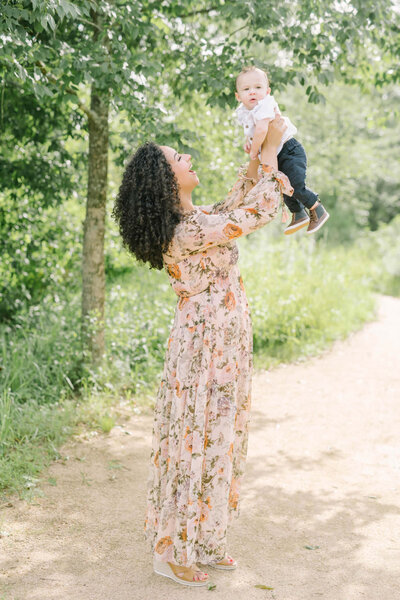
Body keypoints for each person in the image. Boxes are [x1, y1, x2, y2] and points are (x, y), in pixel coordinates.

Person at [112, 115, 293, 587]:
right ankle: (174, 549)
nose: (187, 157)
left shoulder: (196, 220)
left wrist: (258, 154)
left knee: (218, 440)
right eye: (178, 158)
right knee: (194, 442)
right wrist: (272, 159)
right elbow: (251, 215)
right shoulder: (185, 232)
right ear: (166, 180)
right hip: (203, 347)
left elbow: (235, 202)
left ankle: (207, 539)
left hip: (225, 342)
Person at [235, 65, 330, 235]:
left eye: (258, 87)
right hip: (275, 153)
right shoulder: (243, 111)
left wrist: (253, 151)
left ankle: (317, 208)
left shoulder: (265, 104)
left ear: (267, 91)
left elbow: (262, 129)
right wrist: (249, 143)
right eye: (246, 89)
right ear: (238, 96)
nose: (252, 92)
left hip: (289, 150)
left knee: (295, 185)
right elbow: (252, 131)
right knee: (283, 186)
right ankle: (299, 213)